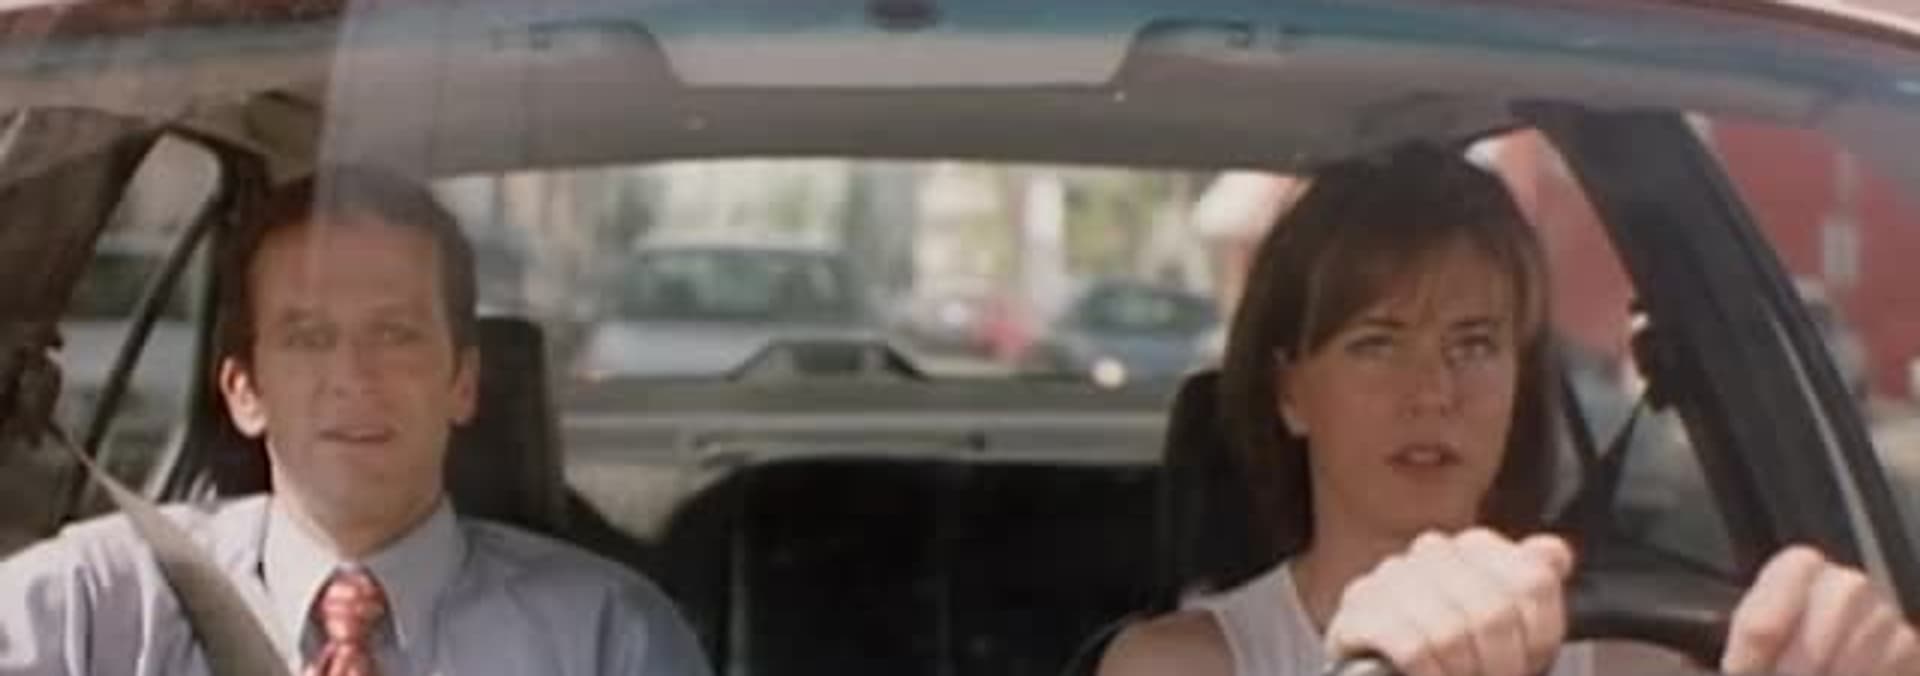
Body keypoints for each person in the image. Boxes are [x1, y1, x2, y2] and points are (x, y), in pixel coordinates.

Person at [1097, 146, 1919, 676]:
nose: (1434, 391)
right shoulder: (1180, 665)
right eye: (1377, 343)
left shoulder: (1629, 657)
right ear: (1290, 392)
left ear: (1521, 377)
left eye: (1475, 343)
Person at [0, 166, 712, 676]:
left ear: (462, 383)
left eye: (395, 334)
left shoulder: (608, 638)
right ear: (245, 392)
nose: (353, 376)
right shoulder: (92, 606)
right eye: (308, 337)